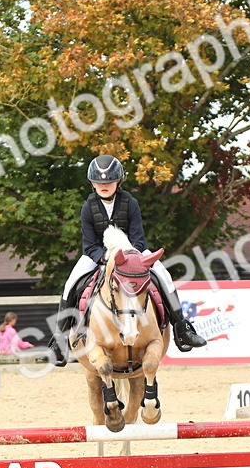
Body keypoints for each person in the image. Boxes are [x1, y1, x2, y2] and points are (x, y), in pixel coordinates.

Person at [48, 155, 207, 367]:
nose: (104, 186)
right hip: (98, 256)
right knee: (70, 285)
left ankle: (182, 328)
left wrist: (129, 257)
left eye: (108, 182)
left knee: (164, 276)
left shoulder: (130, 203)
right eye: (99, 182)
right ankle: (60, 341)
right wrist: (106, 258)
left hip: (133, 254)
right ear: (92, 183)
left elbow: (138, 239)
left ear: (118, 182)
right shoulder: (87, 207)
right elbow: (89, 244)